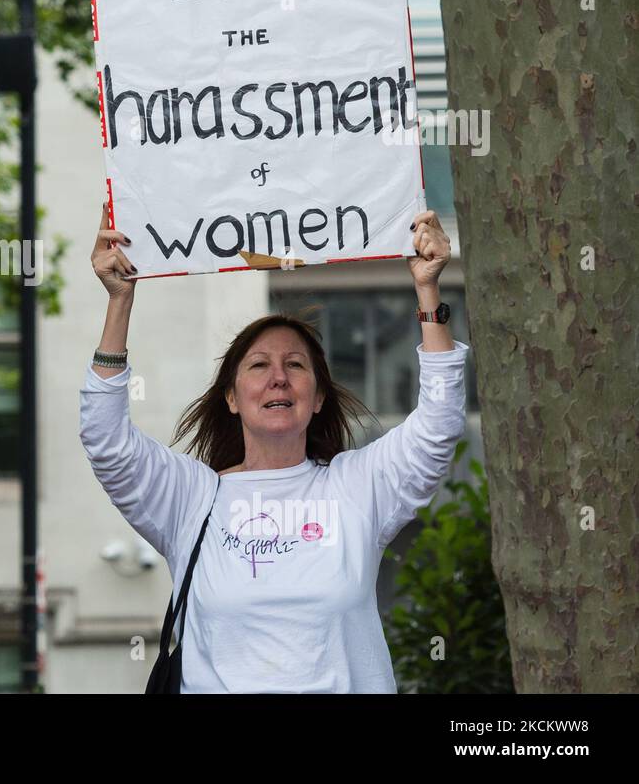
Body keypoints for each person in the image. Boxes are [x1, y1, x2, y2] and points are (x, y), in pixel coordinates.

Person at [80, 203, 470, 692]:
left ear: (319, 396)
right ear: (231, 397)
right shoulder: (190, 498)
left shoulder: (356, 487)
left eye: (296, 365)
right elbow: (106, 441)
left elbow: (439, 425)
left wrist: (428, 289)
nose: (279, 378)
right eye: (259, 366)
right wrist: (119, 301)